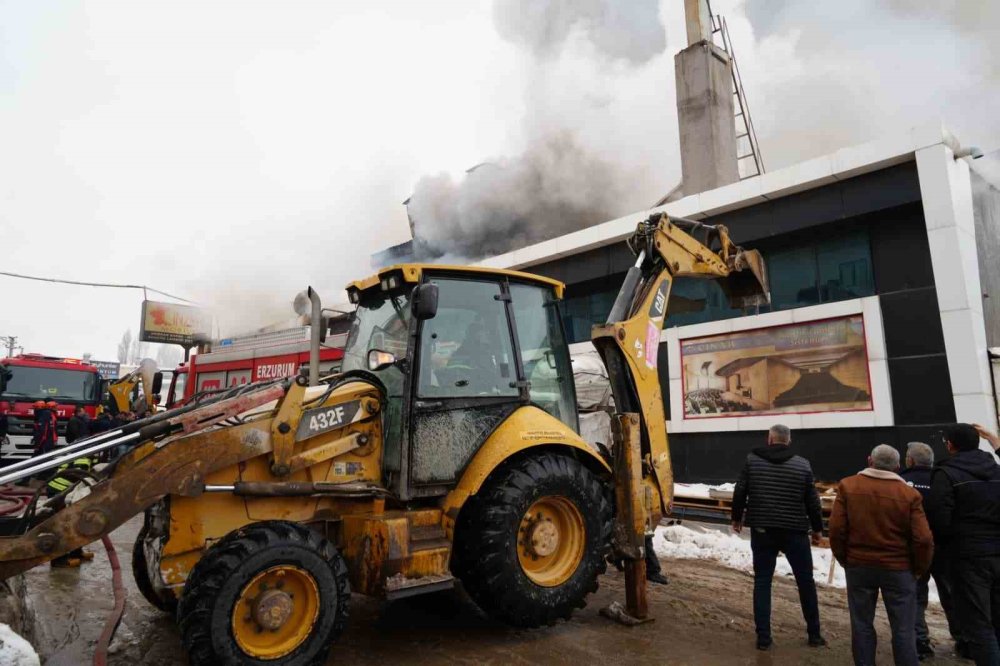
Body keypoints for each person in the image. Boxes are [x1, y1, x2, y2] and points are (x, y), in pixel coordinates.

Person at [830, 444, 934, 666]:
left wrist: (844, 559)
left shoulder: (848, 486)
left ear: (870, 461)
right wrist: (918, 568)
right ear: (897, 466)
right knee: (903, 628)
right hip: (899, 569)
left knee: (861, 624)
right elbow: (923, 539)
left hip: (859, 565)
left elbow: (837, 530)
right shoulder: (909, 494)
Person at [731, 424, 826, 651]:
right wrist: (818, 529)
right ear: (788, 441)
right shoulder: (802, 465)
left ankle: (764, 638)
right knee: (805, 582)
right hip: (795, 531)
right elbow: (812, 501)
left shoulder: (752, 460)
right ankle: (814, 634)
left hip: (763, 530)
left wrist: (737, 518)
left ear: (769, 439)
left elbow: (740, 490)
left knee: (763, 582)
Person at [927, 423, 1000, 666]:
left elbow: (939, 520)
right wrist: (994, 439)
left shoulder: (945, 474)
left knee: (978, 623)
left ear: (950, 445)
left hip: (967, 558)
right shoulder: (995, 469)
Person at [900, 441, 963, 660]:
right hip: (944, 547)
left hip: (913, 548)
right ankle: (964, 639)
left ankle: (920, 642)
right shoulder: (943, 479)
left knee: (916, 596)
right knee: (952, 594)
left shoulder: (901, 483)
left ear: (910, 460)